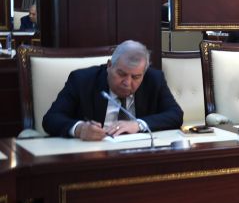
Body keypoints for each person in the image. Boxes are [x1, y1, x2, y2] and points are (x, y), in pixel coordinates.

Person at [42, 40, 184, 140]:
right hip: (95, 154)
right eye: (121, 74)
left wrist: (138, 124)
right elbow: (51, 119)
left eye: (136, 77)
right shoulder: (82, 80)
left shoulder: (154, 79)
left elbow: (175, 115)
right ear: (109, 65)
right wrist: (80, 129)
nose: (127, 83)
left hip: (140, 153)